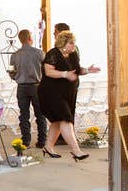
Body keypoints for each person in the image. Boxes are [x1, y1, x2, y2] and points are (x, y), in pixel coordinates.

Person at [38, 31, 90, 161]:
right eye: (71, 42)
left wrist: (88, 70)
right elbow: (48, 71)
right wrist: (65, 74)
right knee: (66, 118)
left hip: (67, 94)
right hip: (51, 93)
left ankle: (48, 147)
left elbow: (76, 70)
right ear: (63, 42)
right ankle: (76, 151)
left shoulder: (73, 54)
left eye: (74, 42)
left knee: (57, 121)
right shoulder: (53, 53)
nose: (73, 45)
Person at [9, 29, 48, 148]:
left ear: (20, 40)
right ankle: (42, 141)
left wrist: (16, 77)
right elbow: (46, 70)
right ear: (30, 38)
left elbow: (11, 72)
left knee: (23, 115)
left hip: (21, 87)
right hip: (36, 86)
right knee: (40, 114)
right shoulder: (39, 53)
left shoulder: (14, 55)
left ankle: (25, 140)